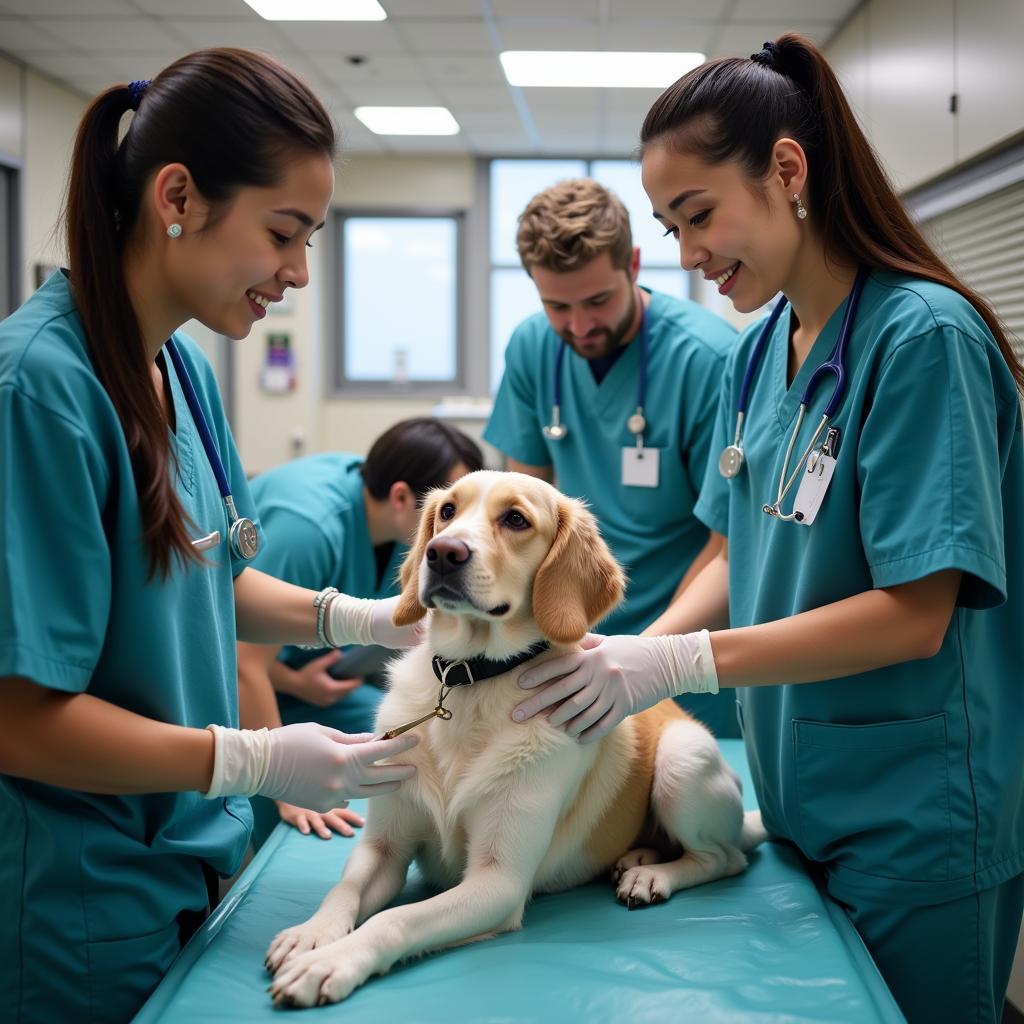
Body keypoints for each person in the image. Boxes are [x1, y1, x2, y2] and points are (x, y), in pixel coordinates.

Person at [511, 33, 1024, 1024]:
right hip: (800, 795)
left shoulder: (921, 338)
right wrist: (628, 660)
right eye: (670, 229)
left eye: (697, 215)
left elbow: (917, 614)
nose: (690, 256)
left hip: (915, 810)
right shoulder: (763, 356)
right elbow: (735, 546)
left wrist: (682, 664)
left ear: (787, 170)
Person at [0, 49, 425, 1024]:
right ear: (177, 195)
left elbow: (215, 579)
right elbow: (17, 717)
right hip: (78, 897)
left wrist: (378, 617)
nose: (299, 272)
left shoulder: (179, 374)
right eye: (284, 233)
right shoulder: (41, 390)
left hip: (188, 865)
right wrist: (248, 759)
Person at [484, 178, 741, 736]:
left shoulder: (708, 360)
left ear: (635, 265)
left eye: (598, 301)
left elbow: (726, 547)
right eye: (557, 305)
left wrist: (646, 659)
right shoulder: (532, 348)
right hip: (568, 638)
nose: (579, 326)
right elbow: (518, 518)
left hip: (684, 643)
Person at [239, 418, 483, 847]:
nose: (465, 531)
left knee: (403, 740)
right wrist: (284, 785)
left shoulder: (395, 522)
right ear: (402, 496)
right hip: (242, 685)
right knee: (281, 809)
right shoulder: (307, 530)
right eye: (451, 511)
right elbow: (240, 660)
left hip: (318, 680)